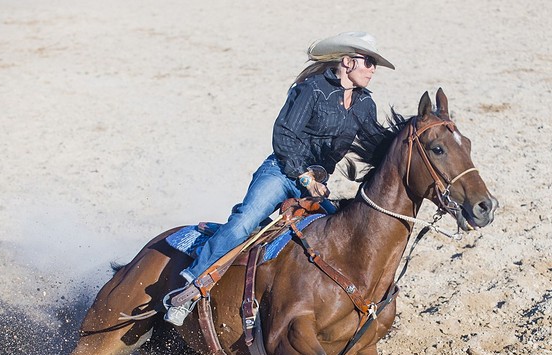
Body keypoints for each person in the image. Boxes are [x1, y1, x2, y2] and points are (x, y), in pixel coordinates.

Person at [164, 31, 395, 326]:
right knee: (246, 221)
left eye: (374, 63)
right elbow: (284, 136)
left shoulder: (364, 104)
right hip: (282, 172)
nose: (373, 69)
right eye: (369, 62)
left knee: (334, 236)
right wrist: (305, 178)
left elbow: (377, 144)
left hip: (316, 186)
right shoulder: (310, 89)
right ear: (348, 62)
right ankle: (192, 285)